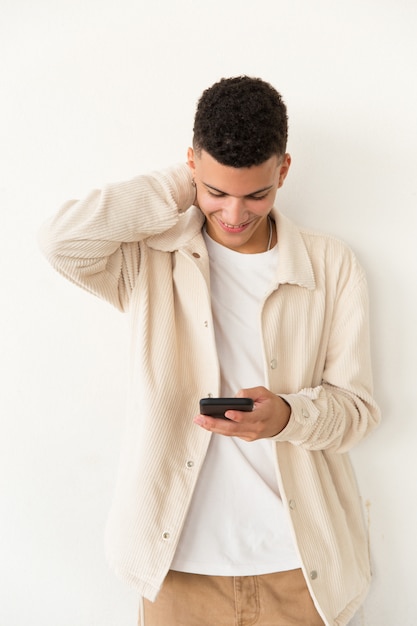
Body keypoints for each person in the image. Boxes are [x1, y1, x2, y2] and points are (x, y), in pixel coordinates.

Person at [39, 76, 381, 626]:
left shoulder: (331, 265)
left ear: (283, 172)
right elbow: (63, 241)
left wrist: (288, 416)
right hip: (177, 571)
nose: (235, 214)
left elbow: (357, 413)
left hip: (299, 573)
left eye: (257, 194)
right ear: (192, 165)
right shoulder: (151, 260)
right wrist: (189, 180)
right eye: (217, 192)